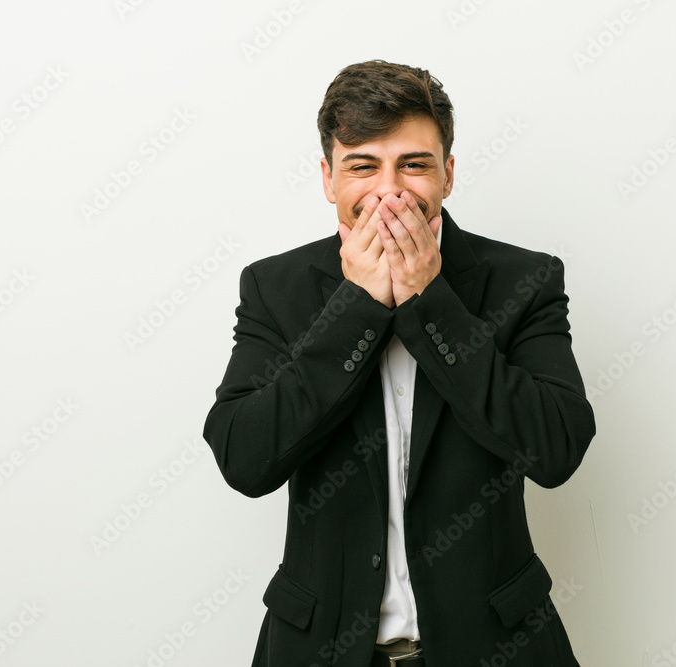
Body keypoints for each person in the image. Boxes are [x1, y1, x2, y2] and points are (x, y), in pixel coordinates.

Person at [202, 59, 596, 667]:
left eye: (414, 164)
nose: (390, 191)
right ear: (329, 179)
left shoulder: (525, 280)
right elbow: (244, 459)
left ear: (448, 174)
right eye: (363, 166)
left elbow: (556, 450)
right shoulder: (274, 287)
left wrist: (430, 302)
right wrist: (355, 309)